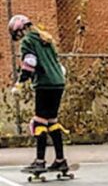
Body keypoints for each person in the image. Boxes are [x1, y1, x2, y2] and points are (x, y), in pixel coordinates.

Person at [9, 15, 69, 173]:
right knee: (52, 121)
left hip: (45, 84)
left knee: (38, 122)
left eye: (17, 34)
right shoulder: (45, 38)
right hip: (58, 82)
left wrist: (20, 84)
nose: (19, 37)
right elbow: (56, 63)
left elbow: (30, 64)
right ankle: (60, 160)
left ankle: (40, 161)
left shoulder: (28, 41)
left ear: (21, 29)